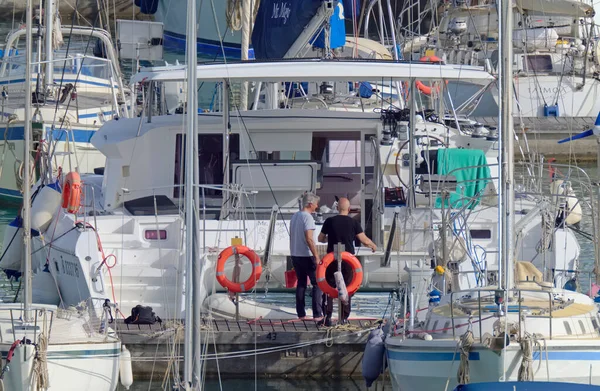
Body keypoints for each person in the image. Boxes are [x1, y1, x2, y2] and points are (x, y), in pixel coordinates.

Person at [318, 197, 377, 326]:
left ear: (337, 208)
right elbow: (364, 240)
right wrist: (373, 245)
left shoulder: (329, 221)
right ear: (349, 209)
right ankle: (344, 318)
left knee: (328, 289)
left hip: (331, 261)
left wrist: (328, 239)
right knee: (347, 289)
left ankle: (327, 317)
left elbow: (320, 238)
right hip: (348, 262)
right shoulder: (353, 223)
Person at [290, 192, 323, 320]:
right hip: (306, 255)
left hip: (295, 254)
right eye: (315, 204)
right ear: (310, 204)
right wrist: (316, 256)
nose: (317, 206)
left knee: (301, 283)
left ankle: (301, 314)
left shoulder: (295, 216)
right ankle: (317, 314)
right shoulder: (308, 217)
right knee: (317, 284)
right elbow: (309, 238)